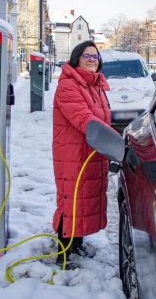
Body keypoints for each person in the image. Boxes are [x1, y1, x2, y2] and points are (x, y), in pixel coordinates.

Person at [52, 40, 111, 268]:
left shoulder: (95, 85)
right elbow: (83, 117)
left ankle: (76, 246)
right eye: (86, 56)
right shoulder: (69, 85)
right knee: (71, 200)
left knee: (83, 201)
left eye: (95, 56)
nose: (91, 60)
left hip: (91, 151)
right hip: (73, 154)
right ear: (76, 58)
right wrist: (108, 139)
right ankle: (63, 255)